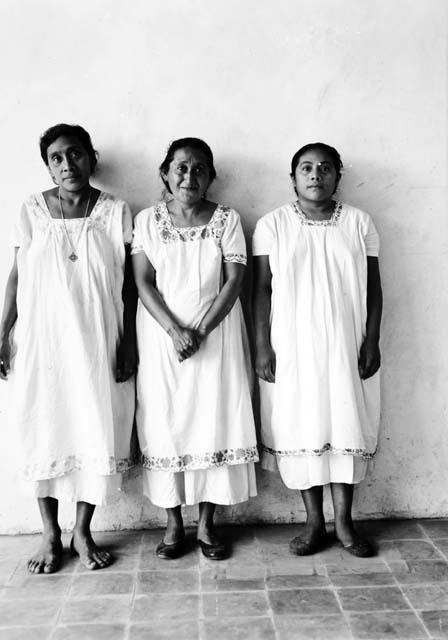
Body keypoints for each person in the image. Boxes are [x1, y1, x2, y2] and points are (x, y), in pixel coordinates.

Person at [0, 124, 137, 573]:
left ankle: (82, 530)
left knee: (95, 426)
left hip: (98, 338)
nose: (67, 165)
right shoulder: (31, 210)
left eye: (75, 155)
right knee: (44, 425)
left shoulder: (116, 211)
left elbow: (131, 286)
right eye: (56, 158)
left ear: (91, 158)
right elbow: (16, 276)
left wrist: (129, 340)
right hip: (42, 343)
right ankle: (48, 533)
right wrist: (2, 332)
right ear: (48, 166)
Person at [252, 142, 382, 557]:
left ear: (337, 176)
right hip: (292, 344)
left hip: (346, 343)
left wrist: (372, 339)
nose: (315, 175)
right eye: (305, 168)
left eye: (325, 168)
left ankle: (345, 522)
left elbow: (375, 290)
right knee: (301, 425)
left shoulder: (360, 223)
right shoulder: (273, 224)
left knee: (344, 423)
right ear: (293, 178)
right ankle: (314, 522)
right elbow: (260, 290)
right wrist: (262, 348)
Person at [132, 137, 258, 560]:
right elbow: (143, 283)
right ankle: (173, 524)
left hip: (217, 337)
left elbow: (235, 281)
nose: (190, 175)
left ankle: (206, 525)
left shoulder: (227, 219)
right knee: (164, 422)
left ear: (211, 177)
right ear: (165, 173)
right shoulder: (147, 220)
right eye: (181, 167)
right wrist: (175, 331)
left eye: (200, 168)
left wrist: (200, 331)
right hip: (162, 339)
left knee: (214, 421)